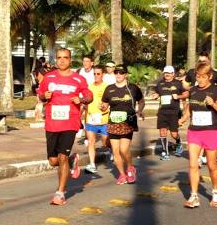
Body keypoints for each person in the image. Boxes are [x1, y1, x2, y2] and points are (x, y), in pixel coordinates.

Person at [37, 48, 93, 205]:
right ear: (56, 60)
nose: (62, 60)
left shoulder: (78, 79)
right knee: (53, 161)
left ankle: (60, 193)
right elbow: (40, 94)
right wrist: (44, 96)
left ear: (70, 60)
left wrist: (81, 99)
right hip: (52, 123)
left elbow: (89, 96)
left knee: (62, 158)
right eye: (59, 57)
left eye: (65, 57)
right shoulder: (49, 78)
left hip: (70, 123)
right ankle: (72, 161)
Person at [180, 63, 217, 208]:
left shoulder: (215, 90)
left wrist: (213, 104)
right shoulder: (193, 90)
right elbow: (190, 108)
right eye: (197, 77)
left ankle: (216, 191)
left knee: (212, 166)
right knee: (193, 165)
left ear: (210, 76)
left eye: (203, 77)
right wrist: (183, 118)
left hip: (210, 131)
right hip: (194, 131)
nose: (199, 80)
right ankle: (194, 196)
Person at [100, 65, 145, 185]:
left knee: (123, 150)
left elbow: (141, 101)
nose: (118, 75)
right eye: (116, 72)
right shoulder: (109, 88)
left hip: (128, 122)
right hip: (113, 122)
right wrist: (103, 106)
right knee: (115, 151)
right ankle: (122, 174)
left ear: (126, 74)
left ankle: (130, 167)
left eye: (121, 72)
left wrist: (139, 111)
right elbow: (104, 104)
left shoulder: (133, 88)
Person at [151, 65, 187, 160]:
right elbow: (157, 93)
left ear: (173, 74)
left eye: (169, 73)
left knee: (174, 134)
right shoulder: (160, 84)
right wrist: (155, 95)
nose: (167, 74)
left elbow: (186, 93)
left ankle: (178, 142)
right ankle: (165, 152)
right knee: (162, 131)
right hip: (162, 111)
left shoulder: (178, 83)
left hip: (174, 112)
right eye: (165, 73)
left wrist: (178, 97)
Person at [83, 65, 109, 174]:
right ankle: (92, 164)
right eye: (94, 74)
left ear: (103, 74)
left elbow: (109, 102)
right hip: (91, 119)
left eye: (98, 74)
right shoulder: (89, 86)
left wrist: (105, 107)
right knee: (91, 142)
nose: (96, 76)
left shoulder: (107, 87)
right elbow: (85, 102)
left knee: (105, 142)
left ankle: (112, 150)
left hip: (104, 119)